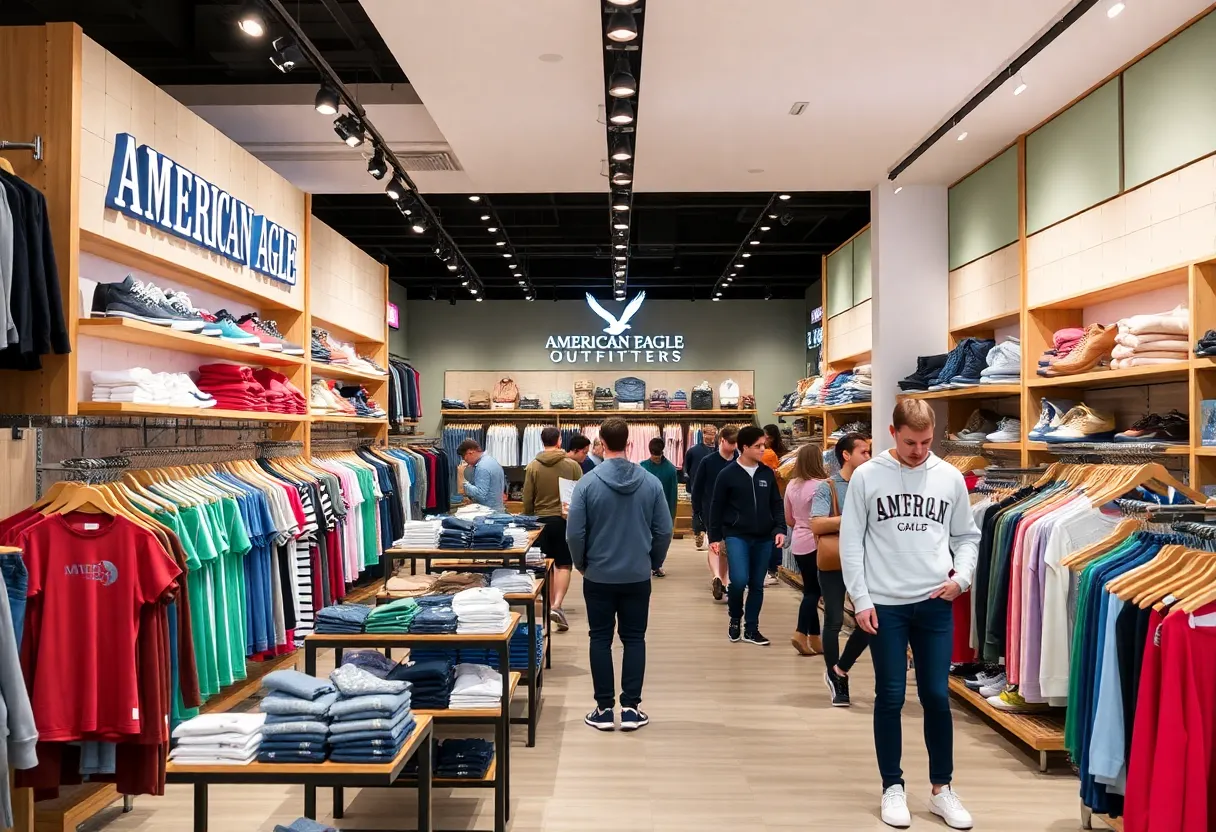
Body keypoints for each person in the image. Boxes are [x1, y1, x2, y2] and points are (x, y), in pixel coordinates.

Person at [840, 400, 980, 829]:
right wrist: (861, 599)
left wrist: (963, 578)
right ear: (891, 432)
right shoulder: (867, 476)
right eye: (909, 442)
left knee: (937, 696)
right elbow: (851, 542)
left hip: (935, 601)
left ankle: (942, 788)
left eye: (925, 441)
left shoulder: (950, 476)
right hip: (885, 604)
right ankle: (892, 787)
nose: (918, 450)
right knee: (891, 695)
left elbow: (966, 536)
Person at [567, 417, 672, 732]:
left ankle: (602, 709)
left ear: (600, 440)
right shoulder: (650, 482)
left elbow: (575, 533)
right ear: (629, 442)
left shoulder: (587, 483)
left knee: (599, 638)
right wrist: (653, 561)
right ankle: (630, 708)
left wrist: (581, 563)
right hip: (637, 574)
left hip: (598, 574)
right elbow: (664, 530)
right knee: (634, 638)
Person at [708, 425, 785, 646]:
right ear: (744, 447)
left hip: (763, 537)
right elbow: (717, 506)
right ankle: (735, 618)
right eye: (758, 446)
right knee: (739, 580)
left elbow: (776, 504)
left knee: (757, 584)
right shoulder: (727, 474)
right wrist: (714, 537)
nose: (763, 449)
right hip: (736, 535)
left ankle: (752, 628)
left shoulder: (766, 473)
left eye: (764, 445)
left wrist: (779, 528)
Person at [811, 433, 873, 706]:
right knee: (834, 619)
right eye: (863, 452)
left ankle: (841, 667)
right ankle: (836, 679)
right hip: (835, 561)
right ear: (846, 455)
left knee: (872, 619)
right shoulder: (829, 486)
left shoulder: (873, 485)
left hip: (868, 560)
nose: (868, 457)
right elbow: (817, 524)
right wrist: (852, 518)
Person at [522, 426, 583, 632]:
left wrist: (530, 517)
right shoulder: (572, 465)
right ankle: (557, 605)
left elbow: (527, 498)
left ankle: (547, 604)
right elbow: (580, 494)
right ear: (559, 441)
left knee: (545, 564)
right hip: (564, 519)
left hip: (540, 520)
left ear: (542, 441)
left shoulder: (533, 467)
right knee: (564, 564)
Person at [784, 443, 827, 657]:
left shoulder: (792, 484)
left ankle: (814, 638)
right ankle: (800, 633)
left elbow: (789, 519)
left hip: (799, 543)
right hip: (816, 541)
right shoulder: (822, 485)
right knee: (814, 591)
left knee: (808, 589)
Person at [689, 425, 737, 600]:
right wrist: (697, 511)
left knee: (721, 545)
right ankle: (721, 580)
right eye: (730, 442)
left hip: (732, 511)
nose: (733, 446)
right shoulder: (709, 461)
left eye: (735, 443)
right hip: (712, 509)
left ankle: (719, 578)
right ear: (721, 440)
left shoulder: (736, 460)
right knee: (718, 543)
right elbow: (697, 488)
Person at [639, 437, 678, 578]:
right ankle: (645, 564)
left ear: (662, 452)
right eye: (653, 455)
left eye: (658, 455)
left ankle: (657, 565)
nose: (656, 458)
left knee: (663, 537)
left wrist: (672, 514)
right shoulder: (642, 467)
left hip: (663, 508)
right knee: (644, 537)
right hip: (644, 508)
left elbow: (673, 493)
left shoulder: (670, 470)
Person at [761, 424, 790, 585]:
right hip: (780, 494)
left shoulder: (768, 454)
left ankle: (770, 570)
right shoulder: (780, 454)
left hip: (772, 496)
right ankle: (772, 570)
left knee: (771, 534)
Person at [681, 424, 718, 549]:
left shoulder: (719, 451)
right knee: (697, 510)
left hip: (715, 486)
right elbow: (686, 466)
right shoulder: (693, 450)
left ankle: (712, 533)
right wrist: (688, 479)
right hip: (697, 486)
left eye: (713, 433)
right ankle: (698, 532)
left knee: (714, 511)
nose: (711, 436)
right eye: (708, 433)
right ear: (703, 434)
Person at [456, 439, 505, 511]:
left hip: (487, 512)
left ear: (470, 452)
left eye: (464, 457)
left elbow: (480, 494)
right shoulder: (491, 460)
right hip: (496, 508)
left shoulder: (482, 467)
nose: (465, 460)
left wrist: (462, 478)